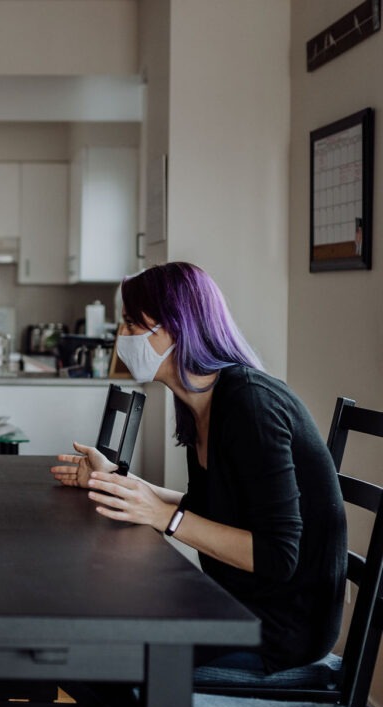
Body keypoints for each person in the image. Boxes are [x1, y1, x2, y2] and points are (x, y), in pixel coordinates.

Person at [51, 262, 347, 674]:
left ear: (176, 327)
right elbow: (206, 507)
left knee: (90, 654)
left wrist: (165, 519)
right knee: (83, 633)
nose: (123, 337)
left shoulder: (250, 404)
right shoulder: (201, 403)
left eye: (134, 325)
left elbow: (278, 555)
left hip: (279, 628)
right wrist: (115, 481)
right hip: (232, 603)